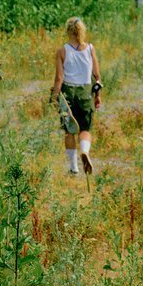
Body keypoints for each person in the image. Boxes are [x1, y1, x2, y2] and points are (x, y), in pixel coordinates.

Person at [50, 16, 102, 176]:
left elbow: (59, 78)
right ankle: (85, 151)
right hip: (85, 92)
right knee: (85, 128)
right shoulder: (90, 49)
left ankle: (73, 167)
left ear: (67, 31)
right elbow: (97, 76)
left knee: (69, 130)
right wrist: (98, 95)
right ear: (82, 31)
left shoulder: (62, 51)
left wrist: (54, 97)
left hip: (68, 94)